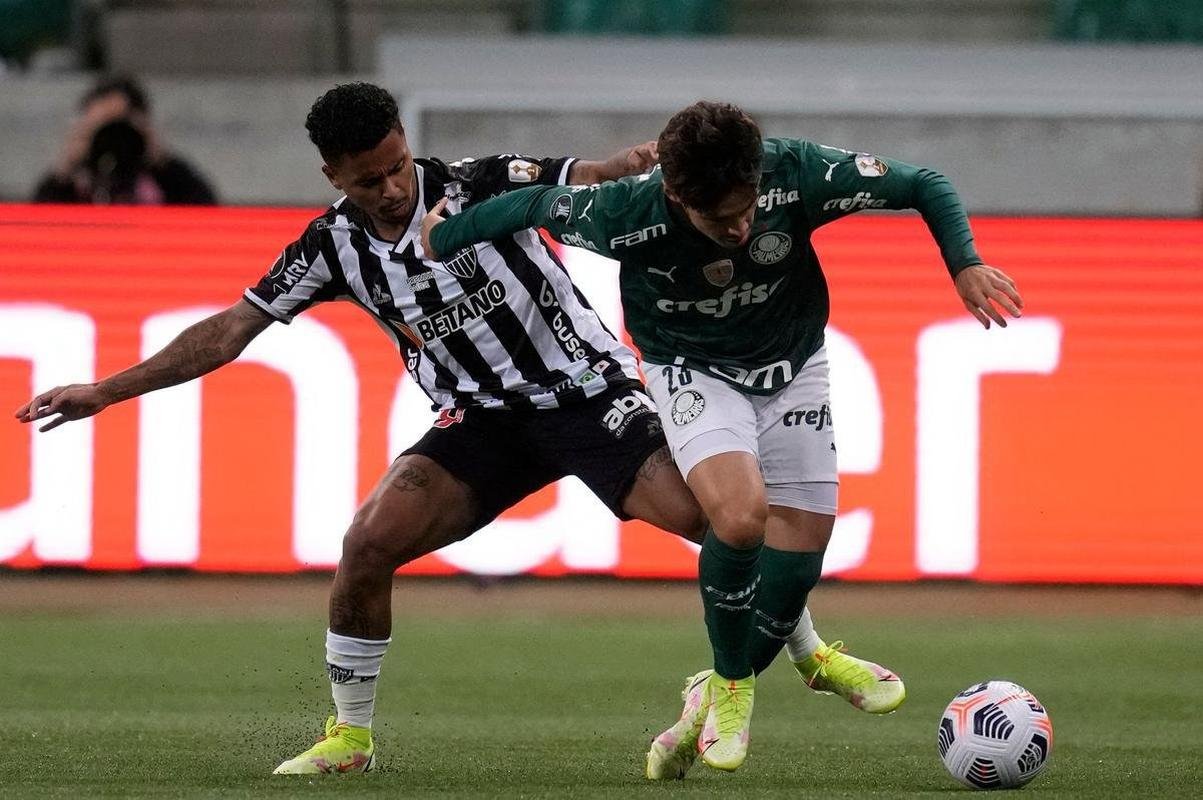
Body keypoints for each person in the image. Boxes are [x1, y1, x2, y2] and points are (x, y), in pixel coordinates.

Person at [14, 85, 889, 778]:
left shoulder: (478, 181)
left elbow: (589, 174)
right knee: (365, 544)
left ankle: (799, 659)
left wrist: (634, 161)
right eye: (368, 179)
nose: (392, 188)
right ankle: (349, 737)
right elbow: (228, 332)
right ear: (333, 178)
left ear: (405, 141)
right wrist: (108, 389)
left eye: (396, 165)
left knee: (717, 519)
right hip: (477, 424)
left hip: (587, 395)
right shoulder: (327, 250)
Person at [424, 100, 1024, 776]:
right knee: (739, 520)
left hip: (794, 368)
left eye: (746, 210)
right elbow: (534, 205)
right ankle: (733, 689)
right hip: (693, 371)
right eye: (718, 219)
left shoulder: (796, 172)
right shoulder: (625, 212)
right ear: (675, 194)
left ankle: (703, 701)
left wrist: (964, 264)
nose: (740, 228)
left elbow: (924, 183)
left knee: (796, 565)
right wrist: (441, 237)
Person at [33, 75, 217, 205]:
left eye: (118, 126)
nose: (111, 138)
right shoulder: (73, 182)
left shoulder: (167, 177)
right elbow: (39, 227)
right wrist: (65, 171)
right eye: (102, 127)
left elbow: (205, 213)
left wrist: (163, 164)